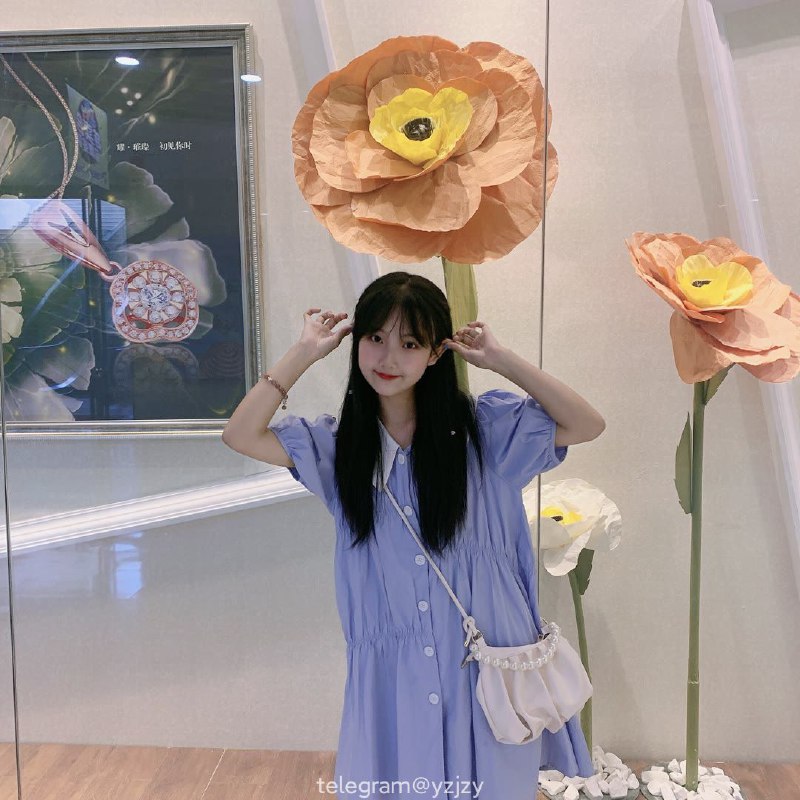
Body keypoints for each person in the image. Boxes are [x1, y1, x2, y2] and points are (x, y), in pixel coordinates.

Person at [222, 272, 606, 799]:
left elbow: (586, 424)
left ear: (435, 353)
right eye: (375, 337)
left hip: (486, 665)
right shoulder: (339, 449)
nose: (388, 357)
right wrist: (304, 353)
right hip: (394, 675)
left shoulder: (486, 434)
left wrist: (502, 360)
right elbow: (240, 434)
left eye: (409, 343)